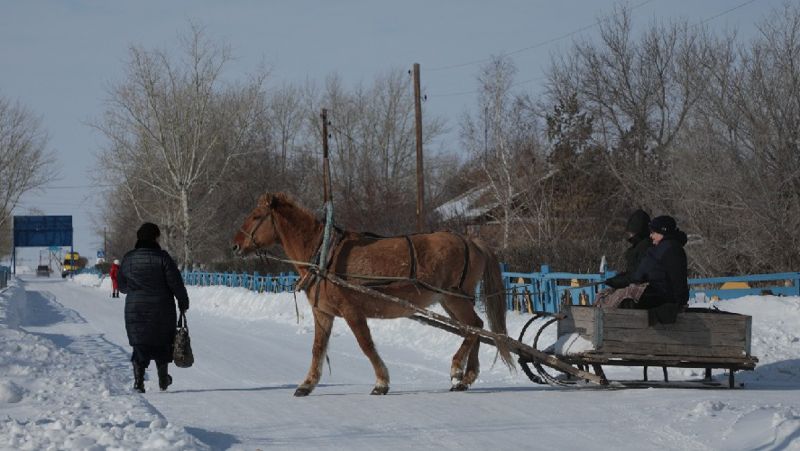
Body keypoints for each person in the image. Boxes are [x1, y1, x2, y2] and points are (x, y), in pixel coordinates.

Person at [118, 222, 189, 393]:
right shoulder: (163, 257)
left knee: (140, 344)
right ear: (156, 238)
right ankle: (163, 379)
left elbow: (122, 286)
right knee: (163, 343)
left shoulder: (128, 258)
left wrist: (135, 289)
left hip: (135, 310)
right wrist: (183, 302)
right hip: (162, 309)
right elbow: (176, 283)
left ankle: (138, 381)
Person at [629, 215, 689, 323]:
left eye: (653, 232)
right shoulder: (661, 248)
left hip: (663, 299)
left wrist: (679, 303)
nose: (651, 236)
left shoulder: (671, 250)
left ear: (662, 232)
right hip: (657, 295)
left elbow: (678, 280)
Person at [605, 209, 652, 290]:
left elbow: (638, 274)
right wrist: (620, 277)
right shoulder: (637, 246)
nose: (630, 236)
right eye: (629, 233)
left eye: (632, 233)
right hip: (635, 284)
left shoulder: (645, 247)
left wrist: (618, 281)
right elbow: (632, 272)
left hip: (643, 289)